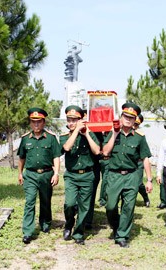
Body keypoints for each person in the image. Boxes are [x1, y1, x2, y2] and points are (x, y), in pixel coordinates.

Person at [102, 103, 153, 248]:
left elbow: (145, 159)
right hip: (114, 176)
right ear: (121, 117)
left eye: (131, 118)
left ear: (135, 120)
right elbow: (105, 152)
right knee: (110, 206)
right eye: (126, 116)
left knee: (128, 207)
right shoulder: (112, 133)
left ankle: (122, 236)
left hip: (131, 176)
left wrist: (149, 180)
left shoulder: (139, 138)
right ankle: (117, 226)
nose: (128, 120)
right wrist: (115, 134)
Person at [17, 108, 61, 244]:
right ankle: (28, 231)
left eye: (39, 122)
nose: (36, 124)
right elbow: (22, 158)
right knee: (29, 202)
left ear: (43, 122)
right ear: (30, 123)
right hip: (30, 175)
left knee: (45, 200)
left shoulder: (51, 138)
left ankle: (46, 223)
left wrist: (56, 173)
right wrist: (20, 173)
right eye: (33, 122)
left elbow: (56, 157)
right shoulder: (25, 139)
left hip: (46, 174)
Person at [59, 105, 100, 245]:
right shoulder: (64, 136)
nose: (71, 123)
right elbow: (66, 148)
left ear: (81, 120)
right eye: (69, 120)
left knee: (84, 206)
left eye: (74, 120)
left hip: (87, 176)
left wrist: (87, 133)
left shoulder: (89, 134)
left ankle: (78, 233)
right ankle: (69, 224)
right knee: (69, 204)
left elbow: (96, 151)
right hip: (71, 175)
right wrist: (76, 131)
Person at [133, 114, 151, 207]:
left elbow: (145, 154)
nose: (133, 126)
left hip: (138, 163)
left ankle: (145, 198)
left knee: (139, 183)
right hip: (128, 164)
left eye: (136, 124)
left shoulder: (140, 136)